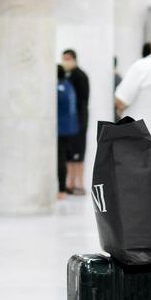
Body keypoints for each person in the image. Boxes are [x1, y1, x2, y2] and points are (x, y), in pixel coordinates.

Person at [61, 49, 90, 196]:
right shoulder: (66, 76)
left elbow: (83, 101)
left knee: (79, 154)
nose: (65, 61)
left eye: (68, 58)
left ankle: (80, 184)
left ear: (74, 59)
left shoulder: (80, 76)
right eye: (63, 58)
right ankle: (70, 183)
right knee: (69, 155)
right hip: (68, 123)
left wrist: (80, 121)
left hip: (79, 121)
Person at [56, 65, 79, 200]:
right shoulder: (68, 85)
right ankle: (63, 188)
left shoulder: (57, 88)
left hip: (60, 129)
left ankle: (61, 189)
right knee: (65, 159)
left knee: (60, 159)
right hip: (70, 128)